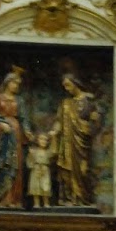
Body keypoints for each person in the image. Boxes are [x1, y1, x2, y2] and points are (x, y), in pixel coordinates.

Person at [0, 68, 32, 208]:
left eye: (18, 84)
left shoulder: (19, 100)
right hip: (0, 133)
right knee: (0, 165)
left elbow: (23, 118)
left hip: (15, 134)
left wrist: (27, 131)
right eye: (14, 83)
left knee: (15, 165)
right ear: (7, 83)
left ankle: (13, 200)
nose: (16, 86)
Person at [53, 70, 101, 207]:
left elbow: (96, 122)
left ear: (76, 84)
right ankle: (68, 198)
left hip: (82, 143)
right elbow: (59, 121)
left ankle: (82, 198)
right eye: (64, 86)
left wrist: (88, 126)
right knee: (65, 171)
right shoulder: (65, 103)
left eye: (68, 85)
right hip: (67, 142)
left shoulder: (89, 101)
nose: (66, 89)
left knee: (82, 171)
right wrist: (54, 132)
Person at [27, 131, 55, 208]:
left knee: (45, 186)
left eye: (45, 140)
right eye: (41, 139)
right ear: (37, 140)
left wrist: (53, 138)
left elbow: (53, 151)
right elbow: (29, 162)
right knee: (35, 186)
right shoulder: (34, 151)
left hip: (45, 170)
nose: (43, 141)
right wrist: (31, 155)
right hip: (36, 170)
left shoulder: (47, 152)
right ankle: (36, 203)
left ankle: (46, 202)